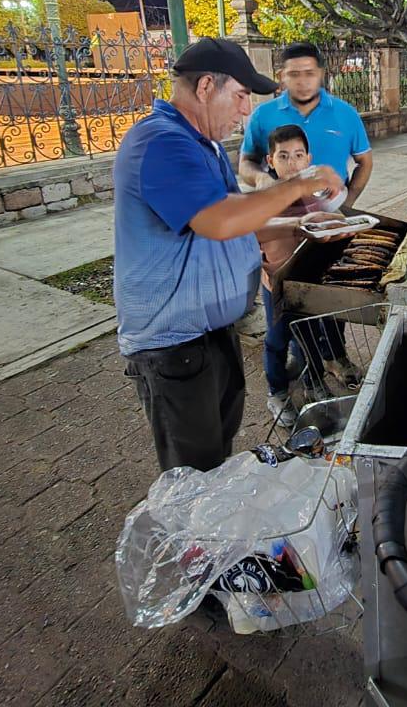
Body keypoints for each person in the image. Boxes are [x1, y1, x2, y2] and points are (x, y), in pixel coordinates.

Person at [113, 38, 343, 473]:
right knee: (193, 472)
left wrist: (299, 225)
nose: (244, 112)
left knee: (216, 451)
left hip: (212, 333)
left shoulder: (206, 146)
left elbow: (237, 220)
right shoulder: (160, 142)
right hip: (174, 342)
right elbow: (216, 220)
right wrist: (298, 185)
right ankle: (189, 540)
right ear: (205, 87)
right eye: (239, 97)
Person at [257, 125, 342, 427]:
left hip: (310, 284)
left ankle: (314, 382)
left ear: (309, 159)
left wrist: (338, 221)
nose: (292, 163)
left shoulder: (315, 196)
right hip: (278, 286)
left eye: (298, 155)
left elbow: (333, 222)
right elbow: (252, 234)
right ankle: (277, 391)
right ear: (271, 161)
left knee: (308, 334)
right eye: (283, 156)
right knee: (278, 340)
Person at [239, 42, 373, 207]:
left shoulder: (346, 114)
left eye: (309, 73)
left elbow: (365, 161)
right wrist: (260, 178)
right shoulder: (262, 115)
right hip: (279, 213)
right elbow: (246, 163)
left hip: (333, 210)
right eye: (294, 74)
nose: (302, 82)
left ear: (321, 74)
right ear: (282, 76)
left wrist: (347, 202)